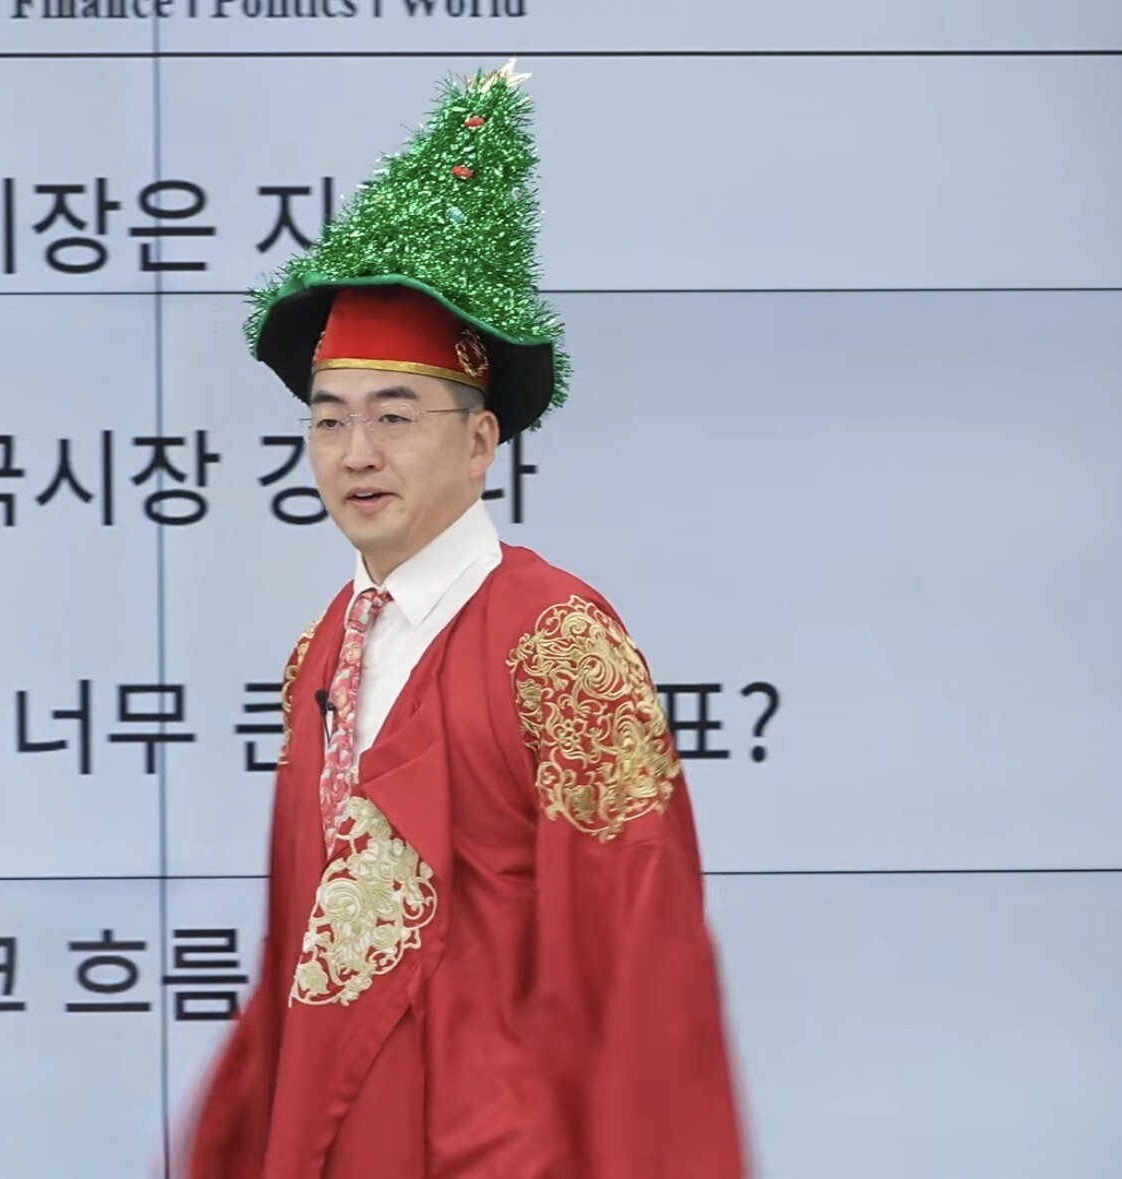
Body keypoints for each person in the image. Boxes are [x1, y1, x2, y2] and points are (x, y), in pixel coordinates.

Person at [179, 60, 748, 1179]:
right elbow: (301, 944)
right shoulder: (322, 646)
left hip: (500, 1148)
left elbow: (639, 958)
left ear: (480, 441)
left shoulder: (557, 642)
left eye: (395, 416)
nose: (356, 453)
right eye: (329, 420)